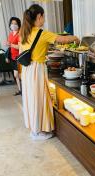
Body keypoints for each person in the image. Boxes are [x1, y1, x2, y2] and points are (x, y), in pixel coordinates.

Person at [20, 4, 79, 141]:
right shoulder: (41, 33)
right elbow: (62, 39)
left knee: (31, 98)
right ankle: (38, 132)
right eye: (43, 16)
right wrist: (75, 37)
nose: (44, 20)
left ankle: (34, 128)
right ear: (39, 16)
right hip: (37, 69)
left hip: (27, 69)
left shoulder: (25, 32)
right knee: (39, 98)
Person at [6, 17, 21, 96]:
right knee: (16, 75)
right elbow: (9, 47)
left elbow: (20, 47)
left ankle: (22, 89)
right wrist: (7, 56)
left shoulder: (20, 34)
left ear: (19, 25)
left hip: (19, 57)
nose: (13, 25)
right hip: (12, 57)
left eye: (15, 24)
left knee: (17, 75)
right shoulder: (11, 34)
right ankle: (20, 90)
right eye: (12, 23)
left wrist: (11, 44)